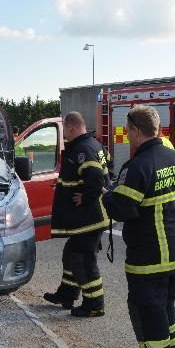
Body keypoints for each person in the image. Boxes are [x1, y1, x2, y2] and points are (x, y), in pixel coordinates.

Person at [102, 106, 175, 348]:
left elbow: (122, 209)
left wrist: (107, 196)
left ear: (136, 131)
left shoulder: (139, 166)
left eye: (128, 131)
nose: (127, 136)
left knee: (148, 310)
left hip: (150, 255)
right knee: (166, 307)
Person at [43, 111, 111, 317]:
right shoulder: (93, 144)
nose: (64, 132)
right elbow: (109, 165)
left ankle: (94, 304)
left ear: (71, 127)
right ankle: (67, 294)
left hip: (90, 217)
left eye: (64, 128)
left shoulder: (83, 149)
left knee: (81, 258)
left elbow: (97, 177)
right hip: (88, 217)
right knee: (71, 253)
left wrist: (87, 196)